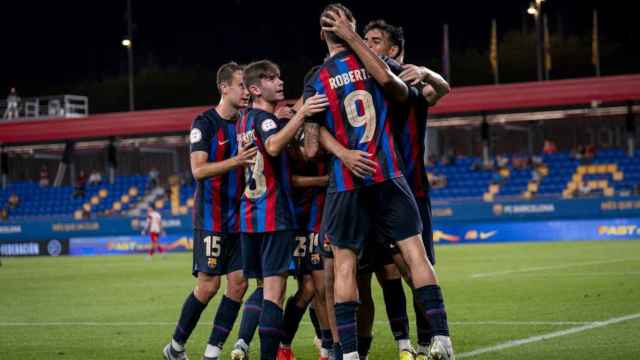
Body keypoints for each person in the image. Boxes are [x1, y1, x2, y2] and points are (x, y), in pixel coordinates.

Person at [304, 4, 455, 360]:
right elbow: (397, 88)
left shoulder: (318, 77)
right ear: (350, 29)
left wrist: (341, 151)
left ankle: (352, 354)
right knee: (415, 256)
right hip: (387, 172)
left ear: (321, 34)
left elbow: (311, 146)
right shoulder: (374, 66)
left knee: (344, 266)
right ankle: (441, 340)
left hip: (345, 181)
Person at [232, 60, 328, 360]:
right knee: (274, 293)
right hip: (274, 216)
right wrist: (301, 113)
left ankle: (243, 345)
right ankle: (271, 354)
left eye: (279, 76)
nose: (279, 82)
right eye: (271, 78)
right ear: (256, 88)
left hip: (251, 218)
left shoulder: (243, 121)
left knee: (262, 289)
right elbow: (273, 146)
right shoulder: (265, 120)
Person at [162, 62, 255, 360]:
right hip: (211, 217)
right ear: (224, 87)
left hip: (240, 218)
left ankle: (212, 353)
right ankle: (175, 348)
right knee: (208, 286)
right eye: (241, 85)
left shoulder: (246, 123)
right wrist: (237, 161)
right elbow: (198, 170)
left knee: (239, 283)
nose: (246, 91)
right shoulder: (204, 123)